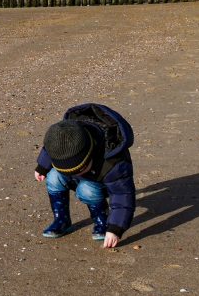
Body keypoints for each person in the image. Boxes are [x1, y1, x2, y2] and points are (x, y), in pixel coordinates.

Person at [35, 103, 136, 248]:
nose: (72, 175)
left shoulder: (114, 162)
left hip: (99, 181)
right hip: (81, 166)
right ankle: (61, 219)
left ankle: (102, 220)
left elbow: (123, 195)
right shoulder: (66, 135)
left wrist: (115, 229)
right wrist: (42, 167)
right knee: (53, 177)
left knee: (86, 189)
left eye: (77, 170)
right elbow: (52, 148)